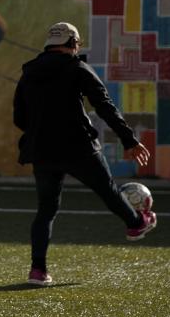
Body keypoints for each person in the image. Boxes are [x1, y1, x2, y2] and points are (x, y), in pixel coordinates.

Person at [12, 22, 157, 286]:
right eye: (76, 45)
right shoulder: (78, 68)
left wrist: (41, 132)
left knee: (46, 211)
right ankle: (136, 223)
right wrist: (129, 140)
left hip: (42, 151)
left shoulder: (29, 72)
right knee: (108, 190)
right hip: (79, 148)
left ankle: (37, 271)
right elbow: (105, 107)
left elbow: (19, 117)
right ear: (71, 44)